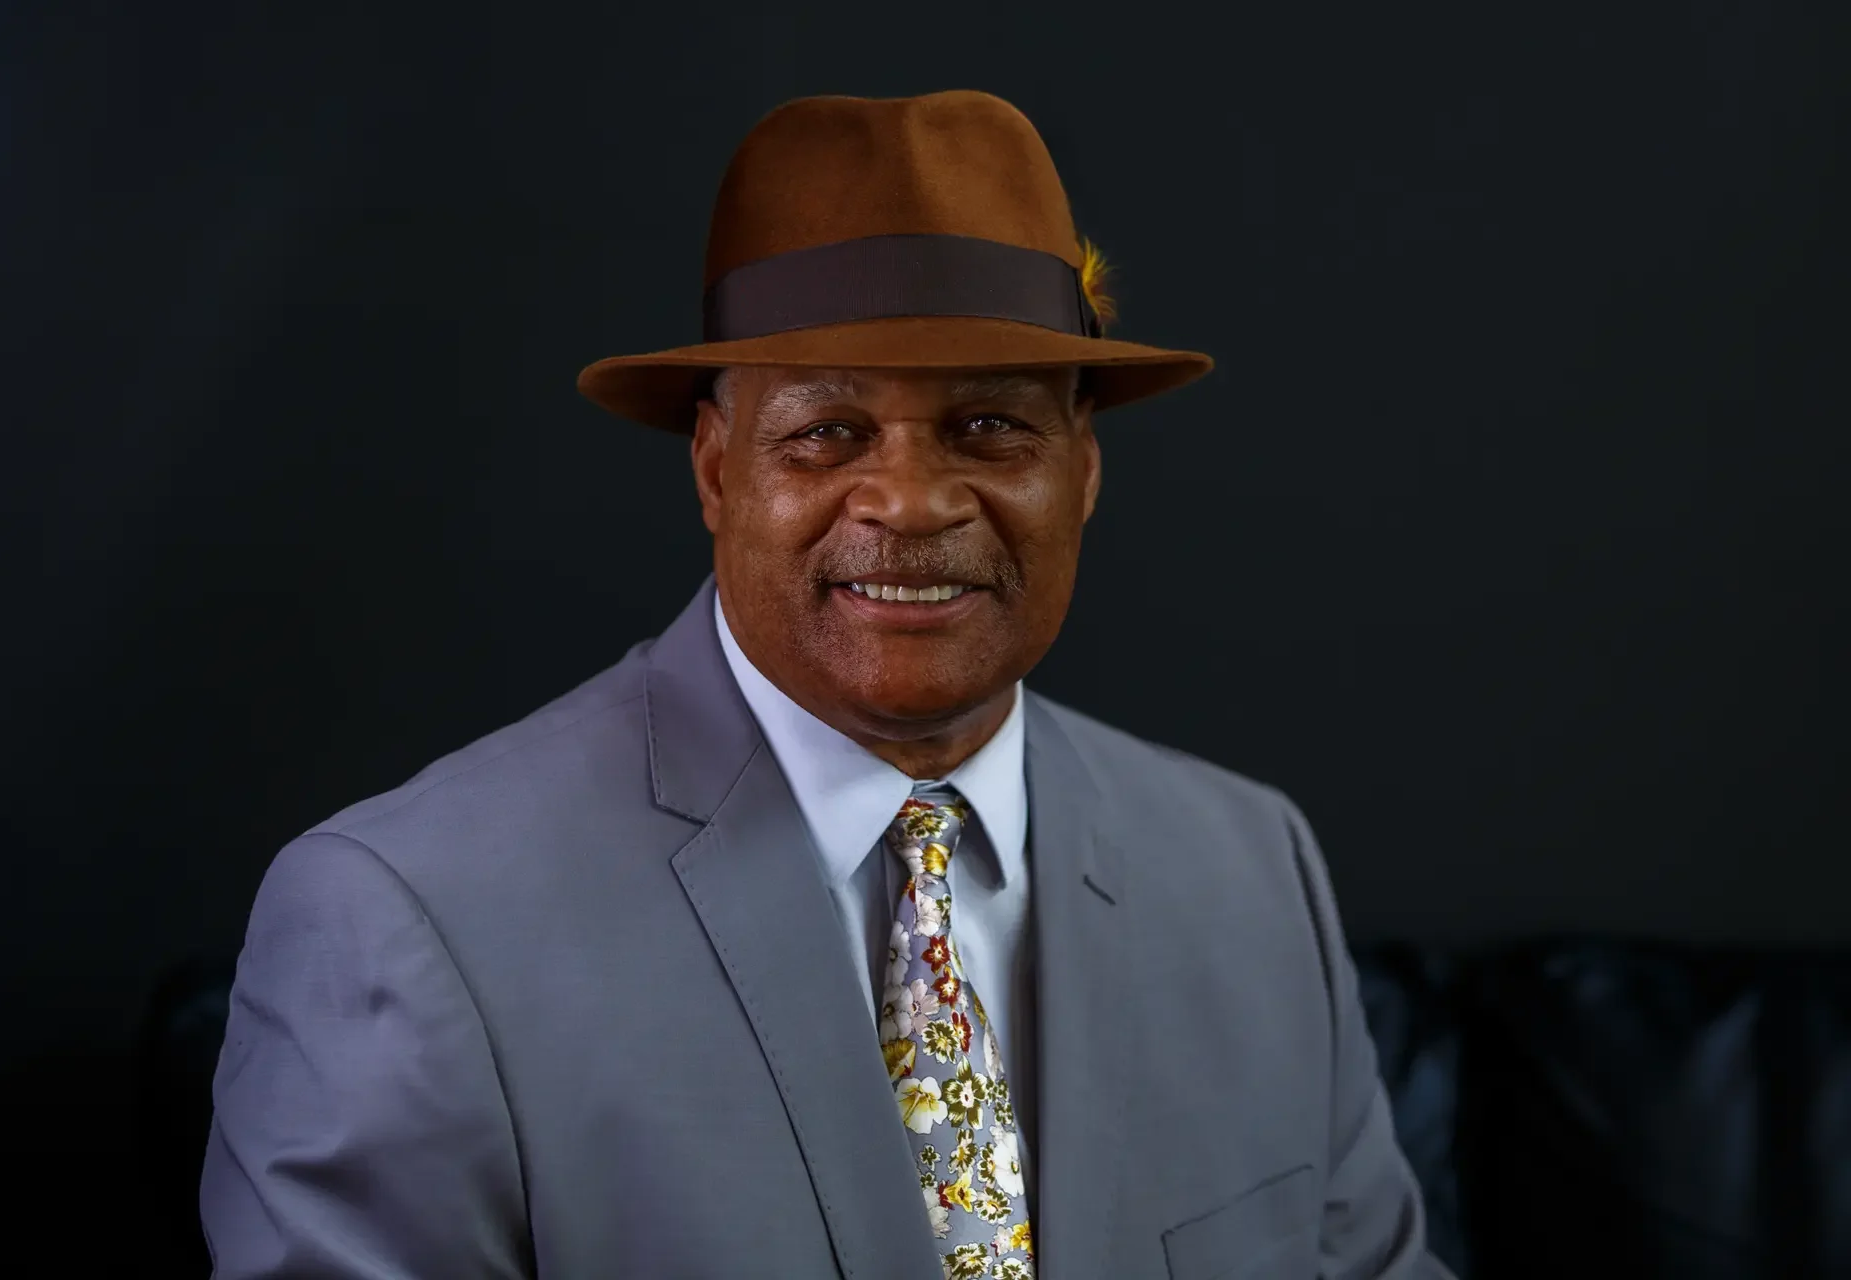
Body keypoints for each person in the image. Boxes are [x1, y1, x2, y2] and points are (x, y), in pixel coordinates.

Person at [200, 89, 1452, 1279]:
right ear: (716, 471)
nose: (909, 500)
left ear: (1083, 471)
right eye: (826, 432)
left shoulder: (1250, 868)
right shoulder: (407, 918)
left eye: (989, 426)